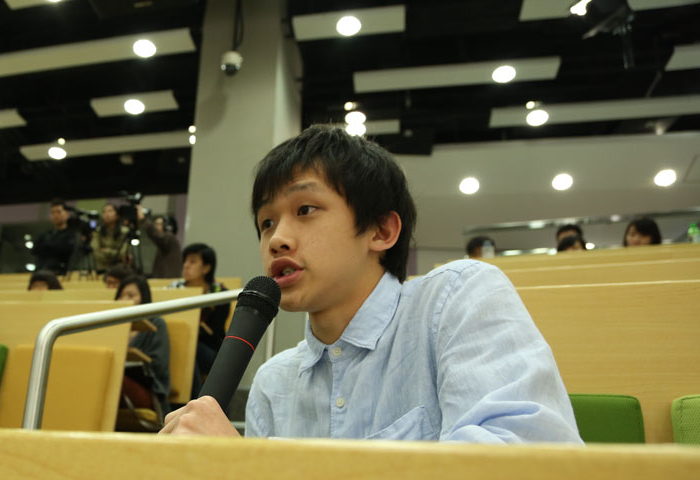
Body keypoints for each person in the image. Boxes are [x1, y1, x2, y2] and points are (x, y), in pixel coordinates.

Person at [161, 124, 581, 444]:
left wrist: (254, 472)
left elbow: (522, 471)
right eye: (266, 222)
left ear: (381, 231)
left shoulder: (457, 300)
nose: (276, 239)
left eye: (305, 209)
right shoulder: (273, 383)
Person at [171, 243, 230, 397]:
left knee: (191, 349)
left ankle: (192, 401)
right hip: (180, 343)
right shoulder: (174, 289)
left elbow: (215, 330)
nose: (186, 265)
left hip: (210, 350)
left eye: (192, 261)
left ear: (206, 268)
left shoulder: (220, 293)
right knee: (184, 348)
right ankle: (196, 402)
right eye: (185, 261)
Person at [116, 276, 171, 417]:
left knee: (114, 380)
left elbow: (159, 366)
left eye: (131, 295)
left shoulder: (156, 324)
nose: (124, 299)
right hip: (117, 383)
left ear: (143, 299)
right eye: (121, 295)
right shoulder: (112, 325)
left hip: (147, 389)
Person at [32, 199, 79, 274]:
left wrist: (48, 247)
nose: (55, 215)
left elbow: (67, 250)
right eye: (52, 212)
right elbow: (34, 250)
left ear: (67, 214)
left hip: (62, 273)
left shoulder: (72, 234)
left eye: (59, 212)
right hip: (41, 272)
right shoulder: (44, 235)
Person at [90, 203, 130, 273]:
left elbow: (122, 253)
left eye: (110, 211)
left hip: (120, 267)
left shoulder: (125, 231)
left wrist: (106, 251)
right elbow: (96, 251)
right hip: (102, 267)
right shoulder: (97, 232)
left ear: (117, 215)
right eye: (104, 212)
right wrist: (113, 254)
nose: (107, 214)